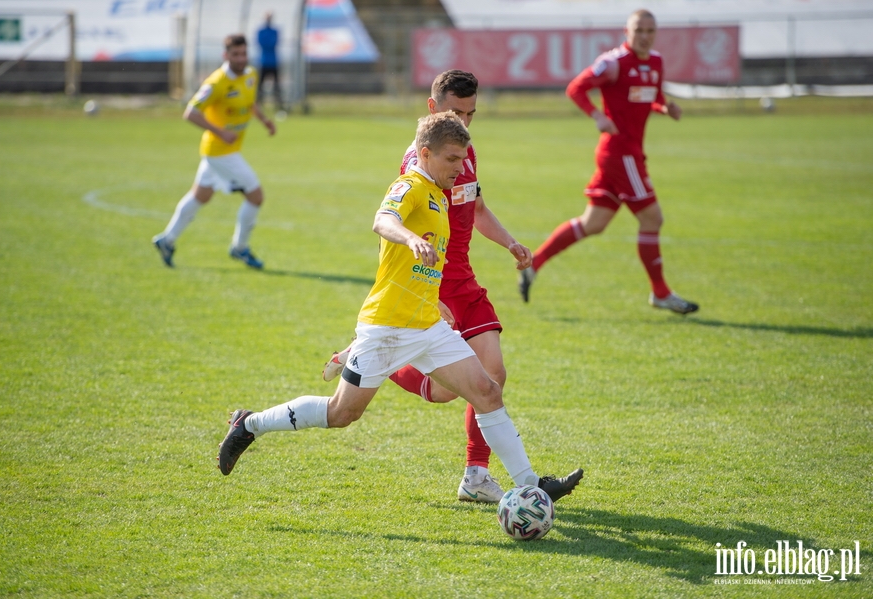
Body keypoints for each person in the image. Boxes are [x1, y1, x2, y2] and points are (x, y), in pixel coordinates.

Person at [217, 112, 584, 506]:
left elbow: (422, 266)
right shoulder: (410, 185)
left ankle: (531, 485)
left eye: (463, 159)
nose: (460, 169)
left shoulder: (441, 195)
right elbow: (382, 220)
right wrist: (409, 238)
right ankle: (250, 424)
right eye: (451, 159)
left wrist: (434, 300)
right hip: (386, 328)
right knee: (342, 414)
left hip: (427, 326)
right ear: (424, 153)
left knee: (487, 390)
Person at [322, 70, 539, 504]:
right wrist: (428, 291)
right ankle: (367, 356)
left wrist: (510, 241)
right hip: (433, 283)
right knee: (443, 392)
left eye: (470, 113)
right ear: (432, 108)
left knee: (492, 375)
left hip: (465, 277)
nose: (464, 120)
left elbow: (476, 209)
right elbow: (397, 220)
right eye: (455, 111)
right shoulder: (418, 161)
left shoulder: (465, 153)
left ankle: (477, 475)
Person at [518, 9, 699, 315]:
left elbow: (647, 97)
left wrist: (665, 108)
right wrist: (598, 115)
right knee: (652, 218)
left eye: (650, 30)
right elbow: (575, 88)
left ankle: (534, 264)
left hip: (627, 153)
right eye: (639, 30)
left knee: (594, 223)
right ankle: (661, 293)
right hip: (620, 153)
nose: (644, 35)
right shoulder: (613, 63)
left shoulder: (655, 62)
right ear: (626, 32)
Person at [152, 34, 276, 270]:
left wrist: (264, 120)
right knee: (256, 196)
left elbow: (249, 102)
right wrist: (220, 132)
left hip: (226, 150)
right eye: (235, 54)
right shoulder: (216, 82)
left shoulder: (250, 74)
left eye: (243, 53)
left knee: (201, 196)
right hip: (220, 151)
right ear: (225, 55)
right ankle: (240, 248)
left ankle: (167, 240)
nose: (241, 58)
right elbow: (190, 113)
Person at [256, 12, 282, 110]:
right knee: (260, 86)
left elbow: (274, 43)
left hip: (274, 62)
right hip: (263, 61)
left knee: (277, 86)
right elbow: (262, 43)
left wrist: (268, 43)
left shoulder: (275, 31)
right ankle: (258, 105)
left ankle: (279, 106)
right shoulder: (261, 31)